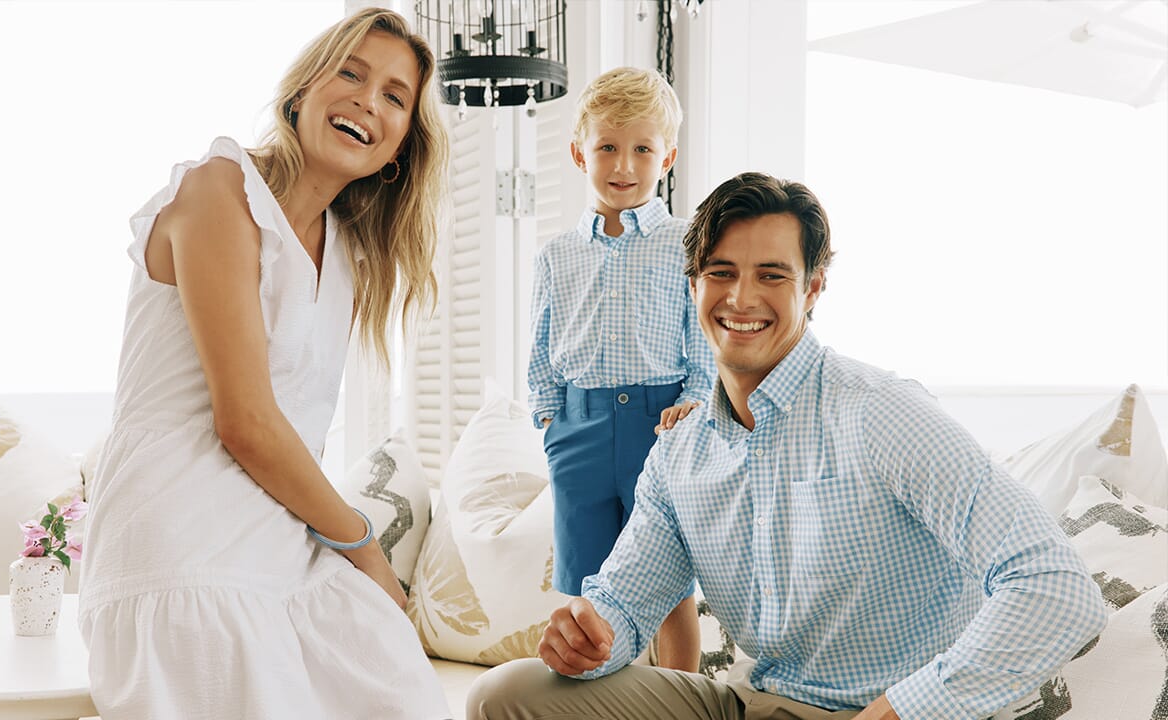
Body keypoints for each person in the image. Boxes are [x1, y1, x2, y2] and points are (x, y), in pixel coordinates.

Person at [472, 172, 1107, 719]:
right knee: (506, 695)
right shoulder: (678, 452)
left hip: (890, 706)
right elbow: (624, 604)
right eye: (721, 272)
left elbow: (1058, 587)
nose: (741, 298)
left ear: (812, 288)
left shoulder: (882, 413)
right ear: (691, 282)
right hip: (753, 702)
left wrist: (908, 708)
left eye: (771, 275)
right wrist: (589, 642)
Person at [77, 8, 451, 718]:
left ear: (398, 147)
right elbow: (246, 421)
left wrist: (355, 565)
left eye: (395, 97)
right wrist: (369, 552)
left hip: (282, 551)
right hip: (182, 548)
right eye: (351, 72)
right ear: (300, 91)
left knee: (404, 690)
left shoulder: (348, 257)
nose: (368, 99)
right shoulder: (219, 190)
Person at [526, 66, 715, 673]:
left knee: (666, 574)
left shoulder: (686, 244)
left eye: (642, 148)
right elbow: (541, 344)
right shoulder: (557, 254)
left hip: (660, 427)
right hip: (576, 429)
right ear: (580, 152)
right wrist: (550, 419)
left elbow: (703, 340)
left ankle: (683, 694)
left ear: (668, 157)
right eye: (607, 146)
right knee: (586, 576)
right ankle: (602, 691)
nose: (623, 165)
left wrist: (695, 399)